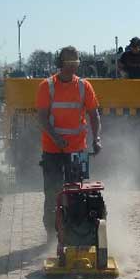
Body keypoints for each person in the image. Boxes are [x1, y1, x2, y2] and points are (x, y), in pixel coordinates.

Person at [36, 46, 102, 240]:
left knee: (76, 194)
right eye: (69, 63)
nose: (73, 68)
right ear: (60, 63)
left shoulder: (84, 86)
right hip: (52, 150)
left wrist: (97, 138)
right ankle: (51, 235)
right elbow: (41, 118)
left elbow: (94, 116)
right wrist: (56, 138)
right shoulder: (46, 86)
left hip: (77, 150)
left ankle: (74, 233)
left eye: (76, 63)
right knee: (52, 193)